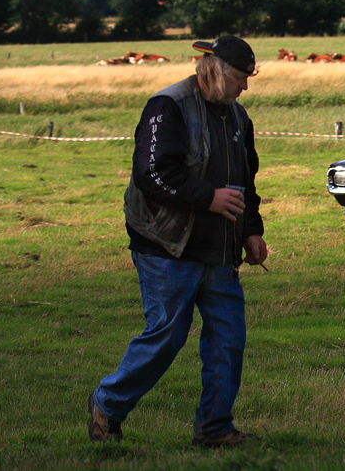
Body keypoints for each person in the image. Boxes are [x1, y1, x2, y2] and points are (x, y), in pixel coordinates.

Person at [88, 35, 269, 447]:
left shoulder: (238, 117)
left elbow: (246, 181)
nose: (245, 87)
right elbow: (151, 175)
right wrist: (208, 197)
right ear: (218, 71)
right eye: (241, 78)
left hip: (219, 250)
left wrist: (251, 229)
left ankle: (214, 429)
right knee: (167, 334)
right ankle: (107, 404)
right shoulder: (167, 107)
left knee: (228, 339)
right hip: (166, 246)